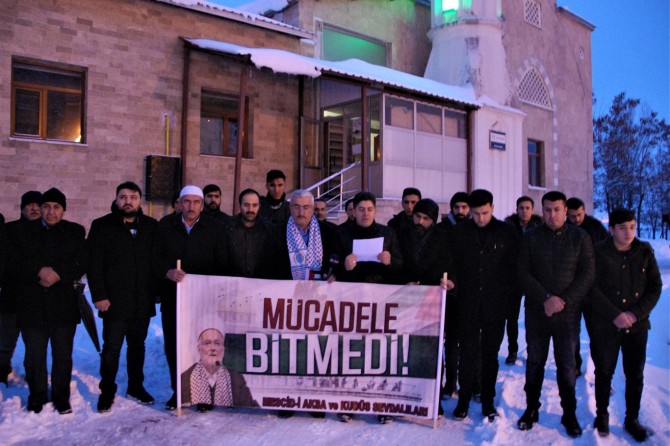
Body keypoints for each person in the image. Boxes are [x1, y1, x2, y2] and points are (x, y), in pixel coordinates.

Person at [516, 191, 595, 438]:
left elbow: (588, 274)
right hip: (537, 312)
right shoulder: (530, 237)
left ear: (565, 210)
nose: (552, 215)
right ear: (543, 210)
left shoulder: (580, 238)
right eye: (548, 210)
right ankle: (531, 408)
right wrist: (545, 298)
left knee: (567, 365)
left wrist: (564, 301)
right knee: (535, 361)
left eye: (557, 209)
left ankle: (569, 413)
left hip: (567, 314)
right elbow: (522, 272)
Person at [9, 188, 86, 414]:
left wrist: (58, 273)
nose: (51, 211)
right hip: (32, 304)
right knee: (34, 355)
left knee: (62, 355)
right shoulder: (22, 232)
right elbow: (14, 262)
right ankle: (37, 395)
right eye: (46, 206)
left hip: (63, 305)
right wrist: (39, 270)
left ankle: (62, 397)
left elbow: (82, 261)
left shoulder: (74, 232)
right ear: (40, 209)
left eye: (56, 207)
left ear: (63, 210)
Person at [589, 209, 662, 441]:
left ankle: (632, 419)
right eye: (622, 228)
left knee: (635, 374)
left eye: (632, 227)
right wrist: (614, 315)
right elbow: (591, 287)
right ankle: (602, 415)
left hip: (636, 326)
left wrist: (634, 314)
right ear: (611, 229)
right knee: (604, 371)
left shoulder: (644, 252)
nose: (628, 232)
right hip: (606, 325)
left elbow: (655, 287)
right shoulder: (598, 252)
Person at [155, 185, 230, 410]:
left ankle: (204, 393)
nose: (191, 206)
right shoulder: (165, 226)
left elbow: (223, 262)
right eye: (186, 201)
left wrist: (212, 287)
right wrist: (166, 272)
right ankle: (179, 391)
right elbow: (153, 257)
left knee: (203, 346)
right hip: (173, 298)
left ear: (202, 205)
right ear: (179, 203)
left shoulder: (215, 228)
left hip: (203, 301)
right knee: (174, 345)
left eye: (196, 202)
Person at [87, 182, 160, 412]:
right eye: (123, 197)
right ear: (116, 199)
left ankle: (136, 386)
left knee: (137, 346)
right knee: (112, 349)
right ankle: (107, 390)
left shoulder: (151, 226)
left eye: (133, 197)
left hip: (141, 301)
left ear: (140, 200)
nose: (128, 201)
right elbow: (93, 264)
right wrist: (99, 295)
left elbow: (156, 261)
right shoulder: (102, 225)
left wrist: (156, 292)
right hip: (114, 302)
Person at [451, 190, 519, 421]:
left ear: (493, 208)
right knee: (467, 354)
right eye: (476, 213)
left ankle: (488, 401)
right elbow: (452, 264)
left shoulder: (506, 232)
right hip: (467, 303)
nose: (480, 218)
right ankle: (463, 399)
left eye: (485, 213)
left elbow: (515, 268)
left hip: (495, 305)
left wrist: (508, 297)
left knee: (490, 355)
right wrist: (453, 282)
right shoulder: (460, 232)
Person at [338, 191, 403, 424]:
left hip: (380, 300)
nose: (365, 213)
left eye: (370, 209)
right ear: (353, 211)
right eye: (361, 209)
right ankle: (349, 402)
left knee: (379, 353)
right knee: (352, 352)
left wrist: (390, 261)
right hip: (352, 300)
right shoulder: (342, 233)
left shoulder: (388, 233)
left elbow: (401, 266)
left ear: (375, 210)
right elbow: (332, 263)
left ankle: (382, 404)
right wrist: (343, 265)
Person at [396, 198, 455, 414]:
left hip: (432, 302)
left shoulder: (444, 239)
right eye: (418, 217)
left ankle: (433, 399)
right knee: (403, 350)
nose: (420, 222)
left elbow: (451, 267)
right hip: (406, 300)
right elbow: (395, 266)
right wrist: (403, 283)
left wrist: (450, 282)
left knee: (431, 352)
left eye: (426, 219)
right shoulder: (401, 235)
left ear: (434, 220)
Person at [0, 191, 42, 385]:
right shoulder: (8, 230)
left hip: (36, 298)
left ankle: (33, 376)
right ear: (22, 208)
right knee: (5, 341)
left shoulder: (47, 233)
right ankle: (2, 372)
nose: (34, 208)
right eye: (29, 205)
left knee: (34, 344)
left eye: (37, 205)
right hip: (11, 295)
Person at [566, 196, 609, 376]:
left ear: (585, 211)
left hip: (593, 290)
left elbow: (608, 252)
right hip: (571, 290)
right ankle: (574, 366)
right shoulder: (564, 228)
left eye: (579, 215)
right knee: (571, 333)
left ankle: (601, 371)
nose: (576, 219)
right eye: (572, 216)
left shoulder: (596, 227)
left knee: (597, 334)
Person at [503, 196, 543, 365]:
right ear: (517, 209)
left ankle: (532, 350)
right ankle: (512, 349)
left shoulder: (540, 228)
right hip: (512, 278)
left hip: (532, 278)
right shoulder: (508, 228)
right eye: (521, 208)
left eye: (527, 208)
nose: (524, 211)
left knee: (532, 317)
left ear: (532, 210)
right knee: (511, 317)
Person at [181, 328, 257, 411]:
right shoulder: (184, 379)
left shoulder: (236, 378)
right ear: (199, 348)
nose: (213, 348)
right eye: (207, 343)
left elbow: (250, 409)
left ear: (223, 349)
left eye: (217, 343)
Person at [277, 190, 343, 282]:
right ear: (290, 208)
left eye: (306, 207)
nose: (301, 213)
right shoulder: (277, 232)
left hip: (321, 288)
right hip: (287, 289)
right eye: (296, 207)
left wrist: (335, 274)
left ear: (312, 209)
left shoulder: (329, 232)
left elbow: (338, 259)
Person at [227, 188, 277, 279]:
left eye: (254, 205)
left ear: (259, 206)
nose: (250, 209)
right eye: (246, 205)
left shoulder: (270, 230)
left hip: (262, 283)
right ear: (240, 205)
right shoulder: (228, 228)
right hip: (233, 283)